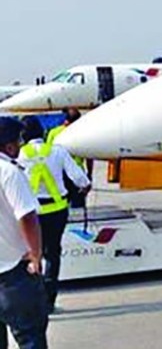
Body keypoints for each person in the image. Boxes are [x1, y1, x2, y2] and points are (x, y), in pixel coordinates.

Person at [18, 116, 91, 314]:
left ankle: (34, 299)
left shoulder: (19, 155)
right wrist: (85, 187)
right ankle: (49, 299)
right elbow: (79, 178)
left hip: (31, 213)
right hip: (57, 211)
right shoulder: (57, 151)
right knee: (53, 253)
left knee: (33, 254)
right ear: (42, 133)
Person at [0, 117, 49, 349]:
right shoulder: (9, 173)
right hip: (13, 273)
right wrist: (36, 254)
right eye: (18, 141)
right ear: (8, 147)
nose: (21, 146)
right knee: (30, 337)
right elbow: (27, 216)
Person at [48, 108, 92, 209]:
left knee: (62, 203)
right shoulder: (83, 133)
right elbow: (89, 155)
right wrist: (89, 174)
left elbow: (48, 154)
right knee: (78, 206)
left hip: (60, 173)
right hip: (77, 172)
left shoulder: (54, 132)